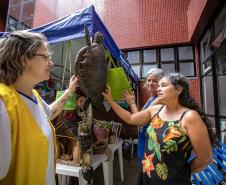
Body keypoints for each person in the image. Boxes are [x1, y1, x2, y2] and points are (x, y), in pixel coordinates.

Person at [103, 73, 215, 185]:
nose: (159, 89)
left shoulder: (189, 117)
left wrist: (183, 172)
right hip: (147, 177)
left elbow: (205, 158)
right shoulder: (156, 110)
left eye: (164, 85)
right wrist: (111, 101)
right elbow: (131, 118)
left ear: (179, 89)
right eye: (159, 85)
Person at [0, 31, 78, 185]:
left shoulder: (33, 95)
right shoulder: (3, 103)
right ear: (24, 61)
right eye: (45, 57)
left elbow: (49, 112)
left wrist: (69, 92)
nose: (51, 63)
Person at [122, 68, 164, 184]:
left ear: (161, 82)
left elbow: (138, 120)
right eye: (148, 80)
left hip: (149, 146)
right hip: (143, 143)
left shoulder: (159, 99)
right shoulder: (151, 99)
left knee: (146, 178)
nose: (150, 83)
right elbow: (138, 117)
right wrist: (132, 102)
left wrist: (131, 103)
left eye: (154, 81)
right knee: (143, 177)